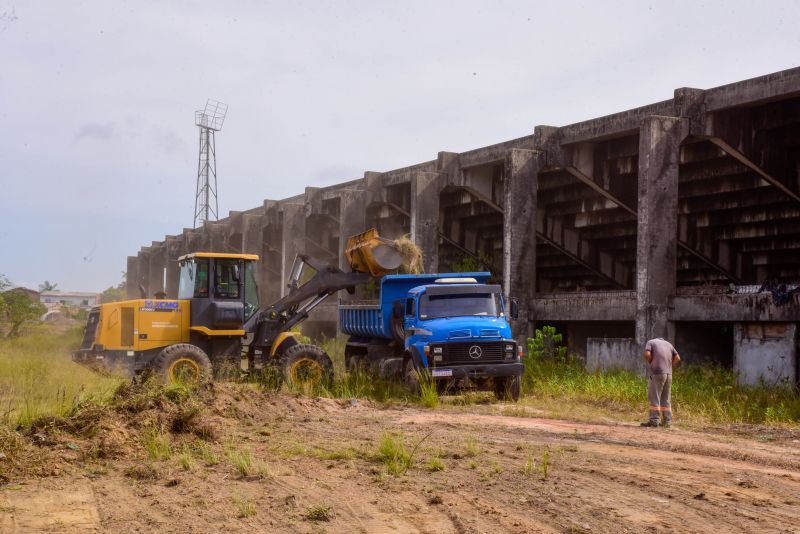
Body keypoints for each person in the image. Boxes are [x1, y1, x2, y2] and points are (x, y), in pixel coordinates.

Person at [641, 337, 681, 428]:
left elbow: (647, 354)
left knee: (654, 396)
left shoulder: (650, 342)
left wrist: (651, 362)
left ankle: (654, 420)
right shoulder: (669, 344)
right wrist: (668, 365)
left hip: (657, 373)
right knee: (666, 398)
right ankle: (667, 421)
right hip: (668, 374)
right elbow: (677, 358)